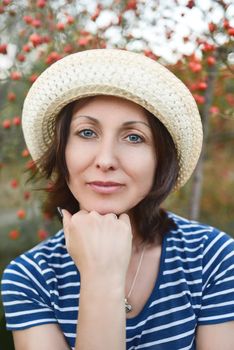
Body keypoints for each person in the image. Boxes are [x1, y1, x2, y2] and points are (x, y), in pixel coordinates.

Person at [1, 49, 234, 350]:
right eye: (86, 132)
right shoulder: (31, 278)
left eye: (134, 137)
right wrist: (101, 276)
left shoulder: (211, 258)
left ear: (160, 160)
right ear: (62, 151)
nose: (106, 160)